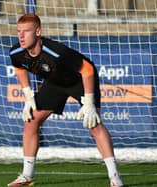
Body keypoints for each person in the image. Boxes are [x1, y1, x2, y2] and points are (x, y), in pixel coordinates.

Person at [8, 13, 124, 187]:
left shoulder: (56, 51)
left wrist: (90, 103)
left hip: (80, 81)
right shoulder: (16, 52)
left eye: (26, 31)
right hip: (55, 82)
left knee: (94, 124)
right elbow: (19, 68)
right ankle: (27, 176)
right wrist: (28, 95)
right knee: (31, 121)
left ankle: (115, 178)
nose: (21, 36)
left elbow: (87, 70)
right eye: (19, 31)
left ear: (38, 31)